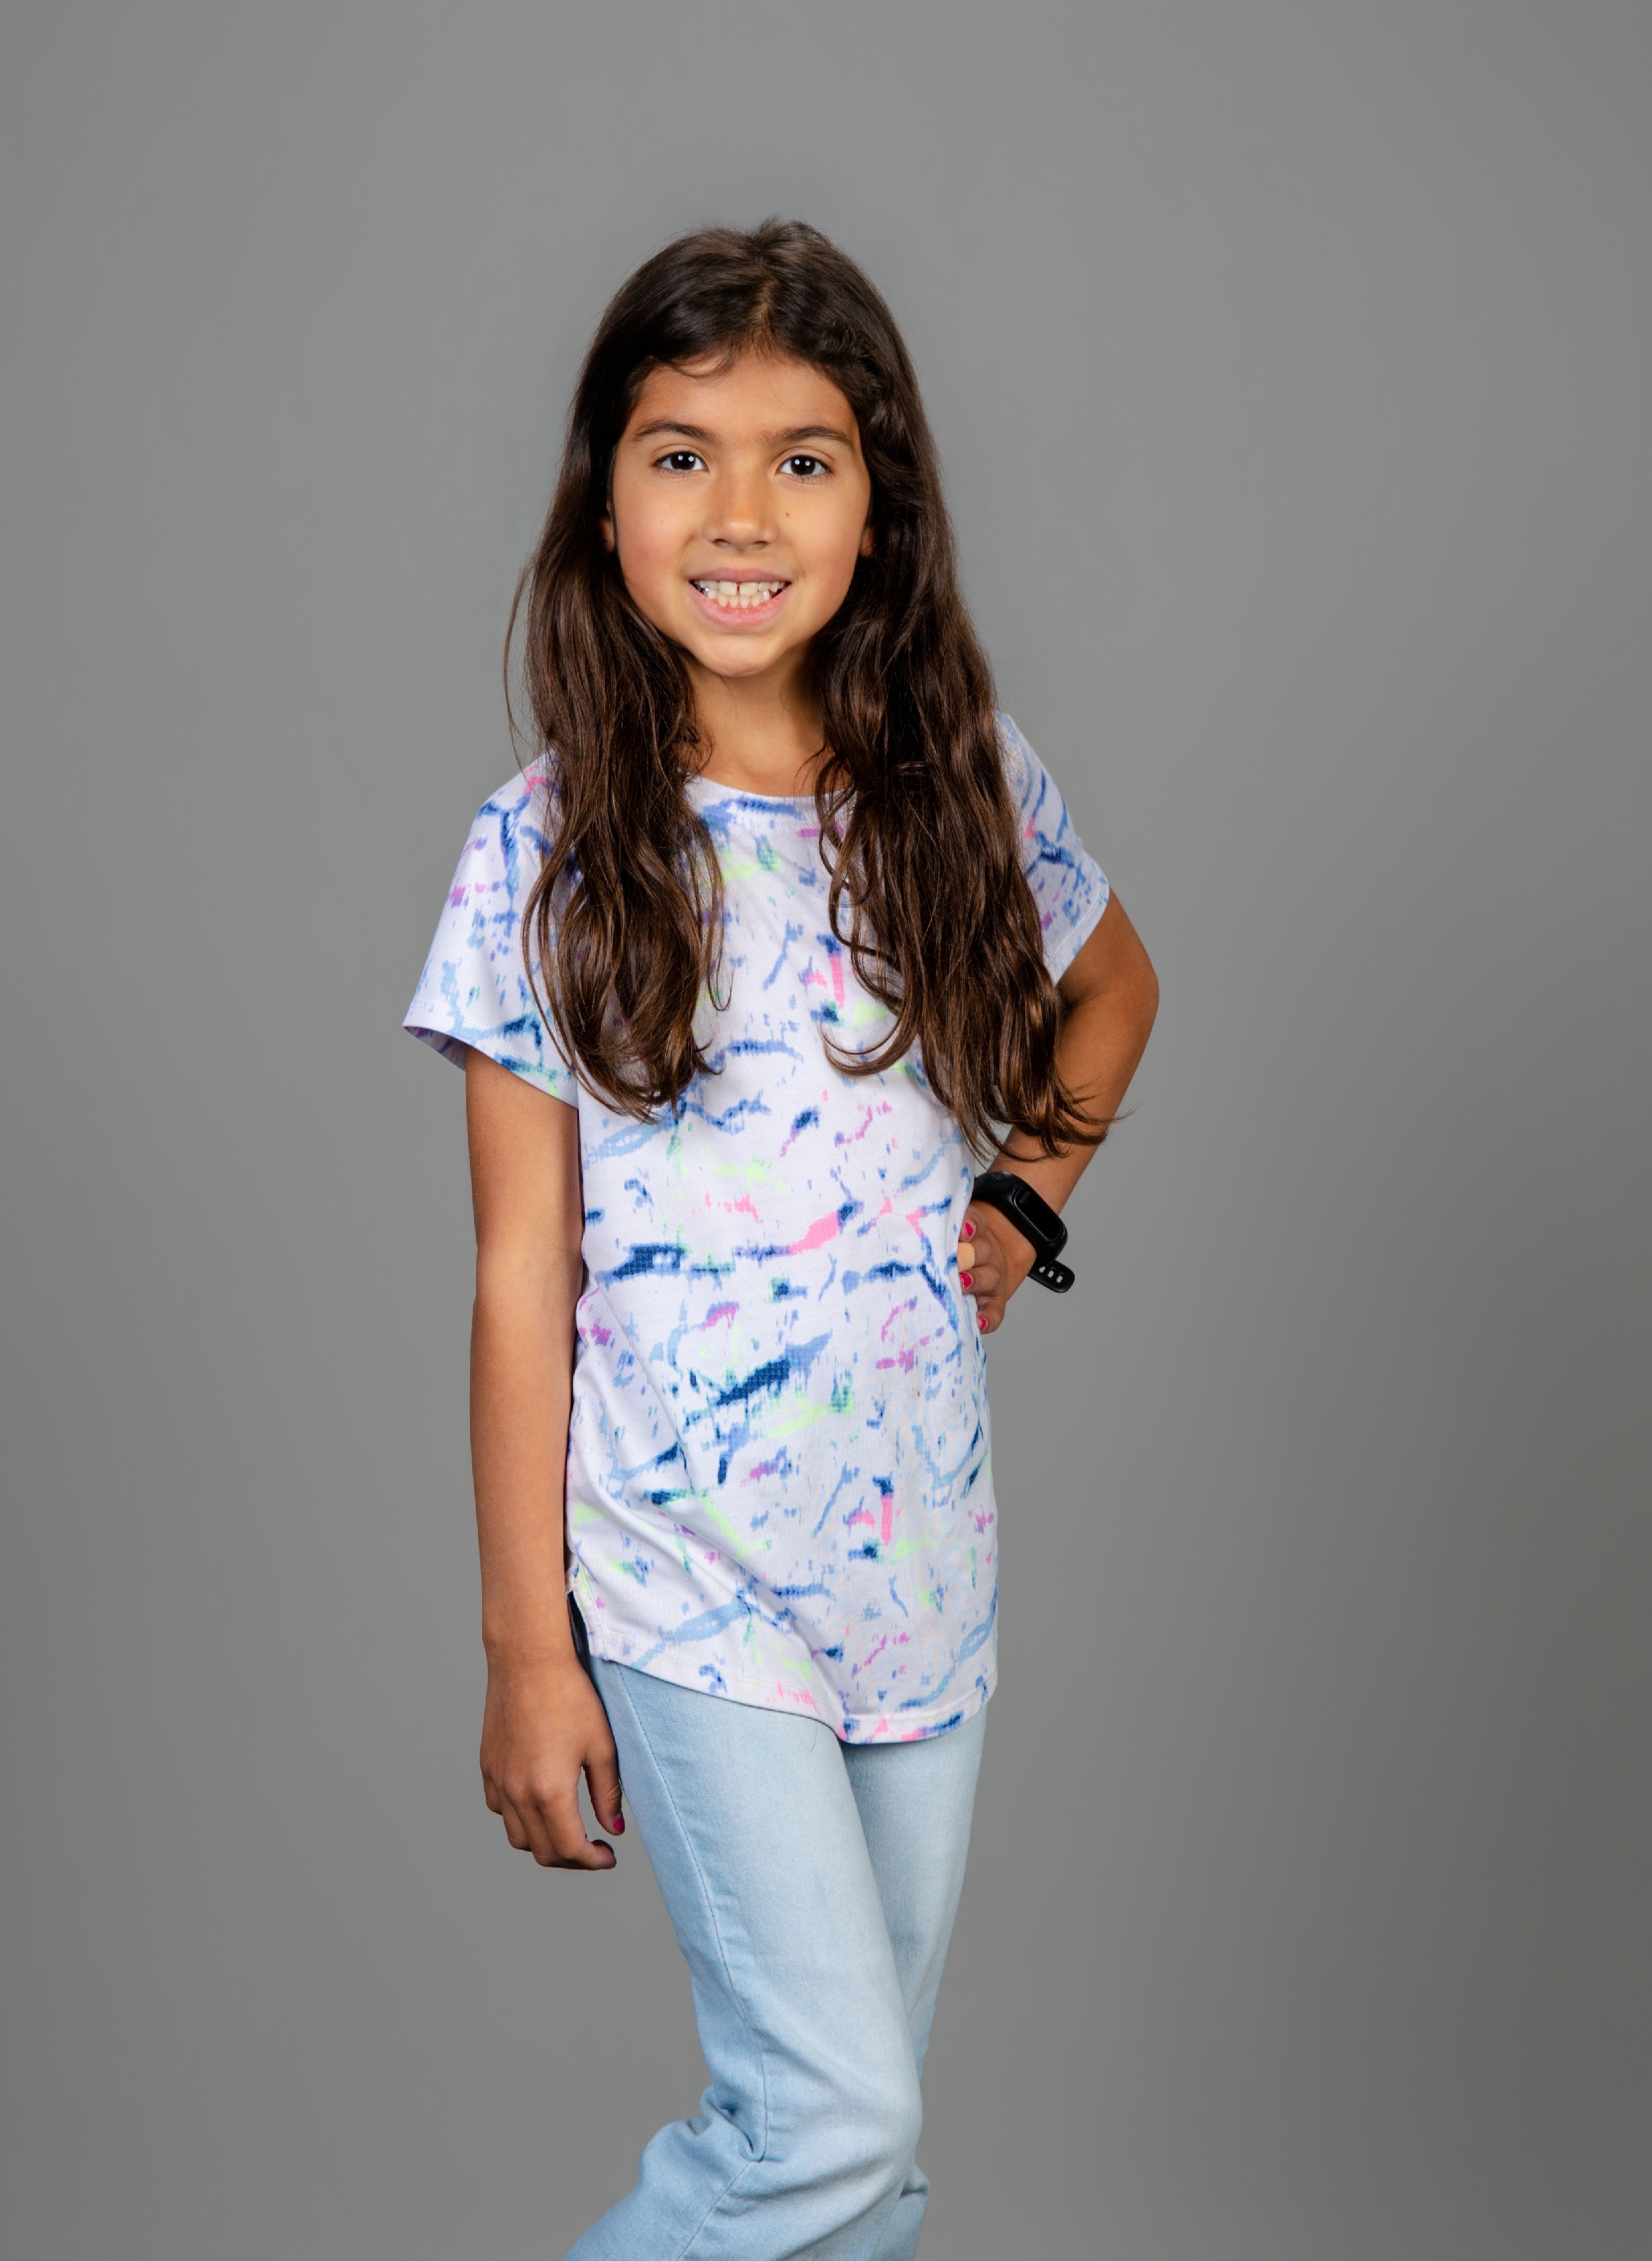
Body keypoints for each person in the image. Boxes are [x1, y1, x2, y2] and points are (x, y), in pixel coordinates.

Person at [405, 219, 1159, 2261]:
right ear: (609, 502)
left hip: (918, 1570)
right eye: (683, 456)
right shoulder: (546, 853)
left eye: (801, 460)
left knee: (857, 2169)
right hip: (686, 1570)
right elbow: (518, 1278)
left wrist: (1024, 1190)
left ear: (875, 508)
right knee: (827, 2116)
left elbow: (1115, 992)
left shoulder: (962, 788)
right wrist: (526, 1647)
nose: (740, 514)